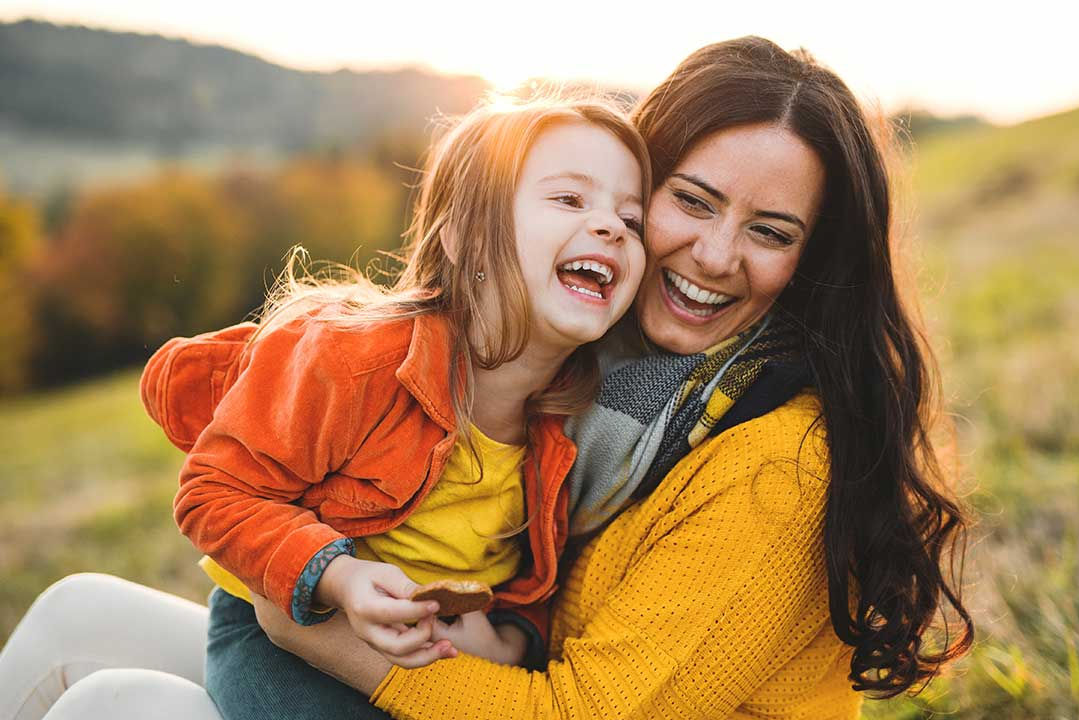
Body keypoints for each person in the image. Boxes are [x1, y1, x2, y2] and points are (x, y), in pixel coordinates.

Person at [0, 36, 972, 720]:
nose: (715, 254)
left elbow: (585, 706)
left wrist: (308, 615)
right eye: (689, 200)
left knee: (117, 706)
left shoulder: (770, 455)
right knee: (75, 609)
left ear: (814, 260)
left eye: (770, 232)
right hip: (441, 665)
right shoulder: (596, 380)